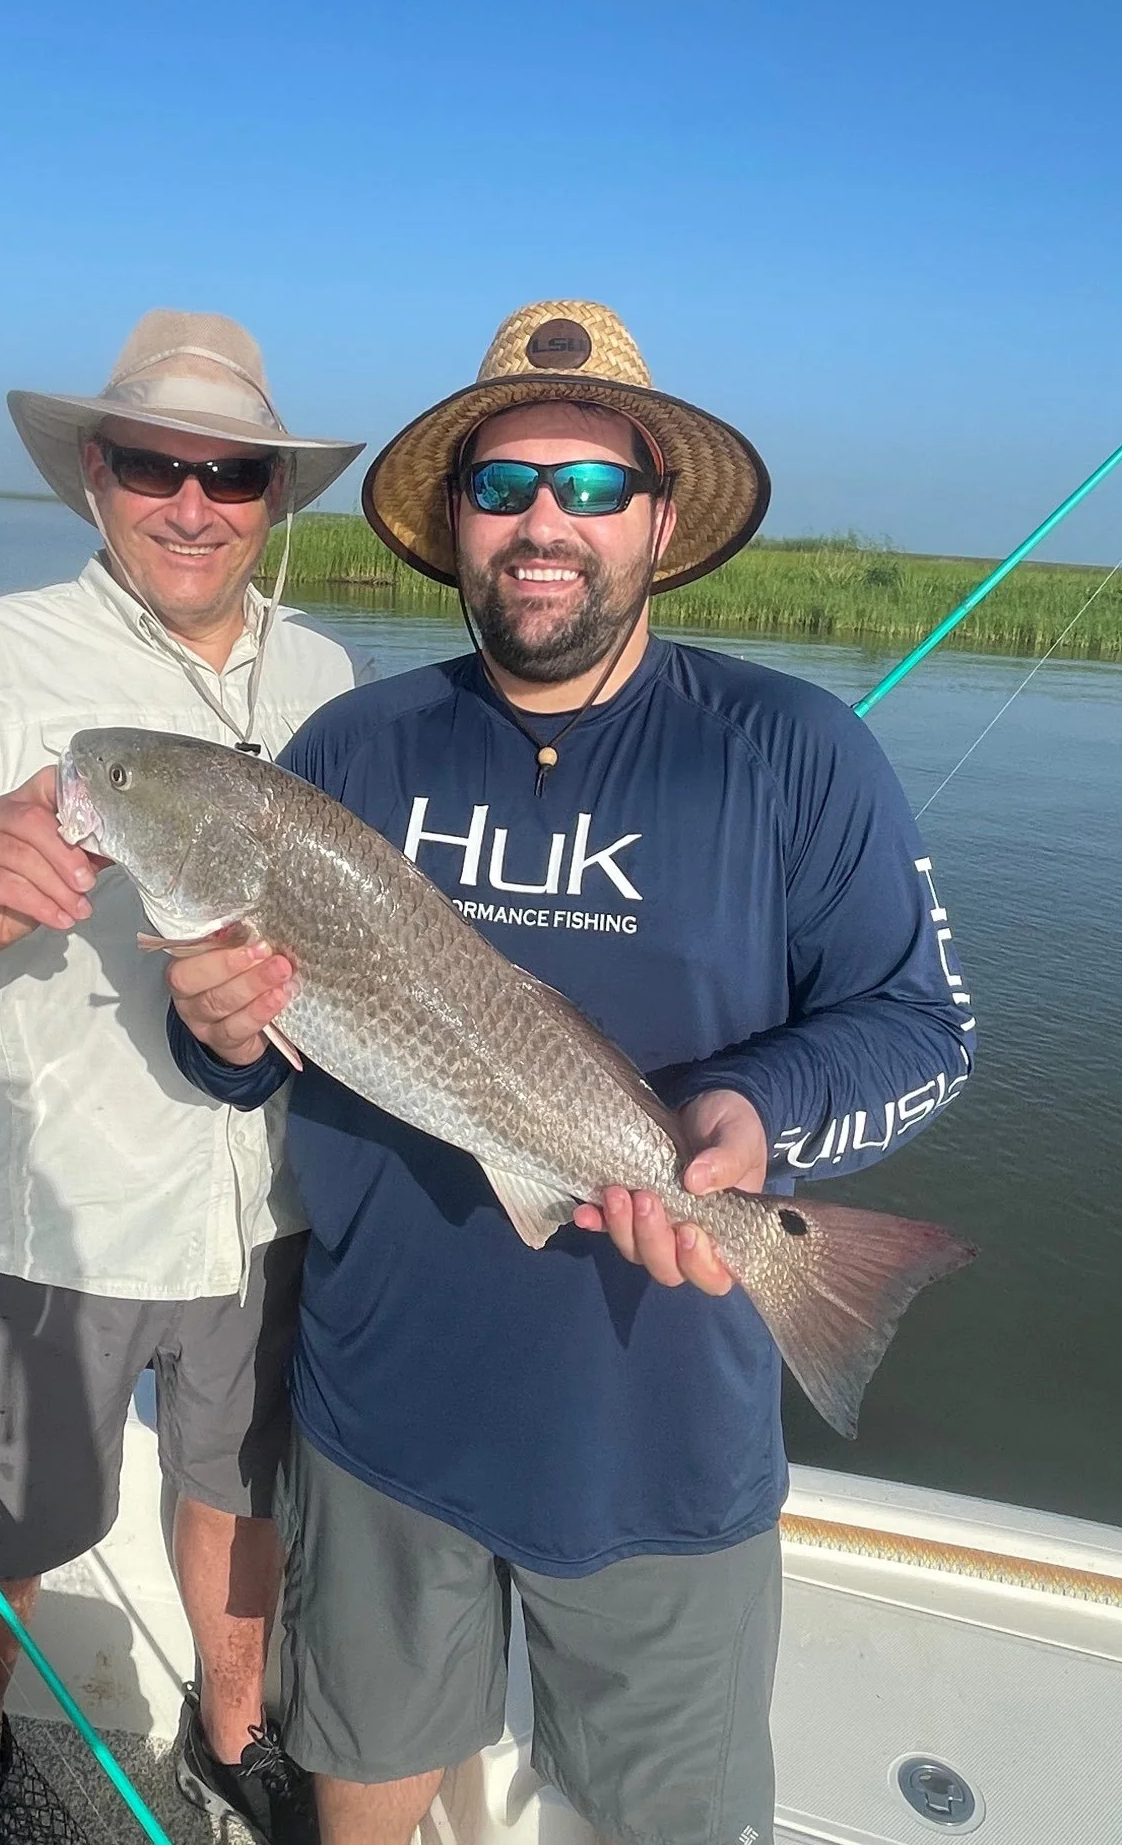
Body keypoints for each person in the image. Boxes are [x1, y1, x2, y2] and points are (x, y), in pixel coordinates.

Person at [164, 299, 975, 1845]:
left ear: (661, 521)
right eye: (504, 486)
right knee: (361, 1805)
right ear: (453, 524)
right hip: (378, 1419)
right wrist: (215, 1039)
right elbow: (268, 1060)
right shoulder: (348, 750)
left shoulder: (793, 750)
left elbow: (925, 1028)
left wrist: (757, 1112)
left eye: (592, 489)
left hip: (662, 1451)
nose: (547, 524)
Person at [0, 310, 366, 1845]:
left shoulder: (333, 678)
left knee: (241, 1496)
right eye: (152, 460)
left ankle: (237, 1735)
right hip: (51, 1211)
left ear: (272, 495)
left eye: (231, 469)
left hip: (277, 1203)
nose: (192, 497)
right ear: (94, 474)